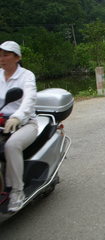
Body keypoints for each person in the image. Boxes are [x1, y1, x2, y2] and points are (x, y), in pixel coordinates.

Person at [0, 41, 38, 211]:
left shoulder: (26, 76)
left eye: (6, 55)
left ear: (17, 57)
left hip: (25, 123)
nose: (2, 59)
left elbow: (29, 99)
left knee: (11, 145)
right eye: (0, 55)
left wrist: (16, 117)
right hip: (1, 123)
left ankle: (17, 191)